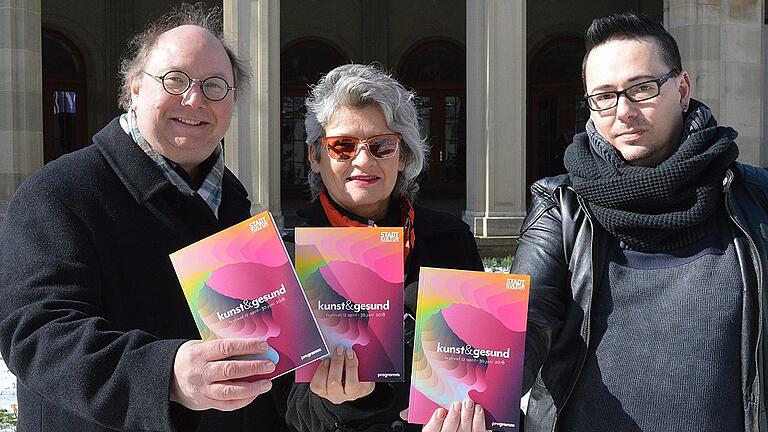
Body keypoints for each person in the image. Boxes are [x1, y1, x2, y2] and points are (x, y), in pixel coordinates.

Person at [0, 4, 285, 431]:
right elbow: (39, 334)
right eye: (175, 80)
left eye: (215, 86)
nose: (195, 99)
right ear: (134, 87)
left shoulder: (234, 204)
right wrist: (164, 373)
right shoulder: (58, 193)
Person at [512, 13, 768, 432]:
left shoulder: (756, 199)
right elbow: (525, 322)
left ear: (682, 90)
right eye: (604, 96)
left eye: (642, 88)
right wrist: (470, 395)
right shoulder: (561, 208)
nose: (624, 111)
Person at [274, 63, 487, 432]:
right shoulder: (288, 257)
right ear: (314, 156)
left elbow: (483, 366)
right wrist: (337, 405)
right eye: (342, 145)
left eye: (382, 145)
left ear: (402, 156)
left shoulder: (450, 239)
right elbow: (281, 409)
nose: (363, 160)